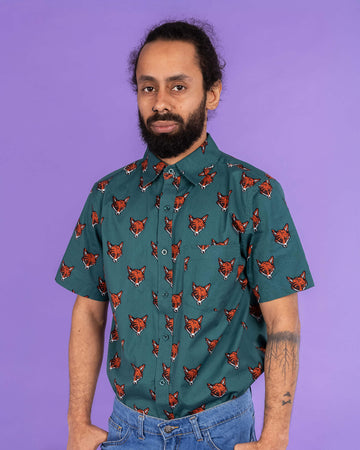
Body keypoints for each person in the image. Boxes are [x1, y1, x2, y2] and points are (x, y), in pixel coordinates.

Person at [55, 20, 314, 450]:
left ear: (210, 93)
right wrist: (76, 421)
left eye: (178, 87)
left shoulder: (254, 193)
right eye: (147, 88)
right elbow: (88, 311)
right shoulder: (107, 196)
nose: (160, 104)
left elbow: (283, 322)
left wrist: (276, 436)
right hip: (128, 431)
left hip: (222, 432)